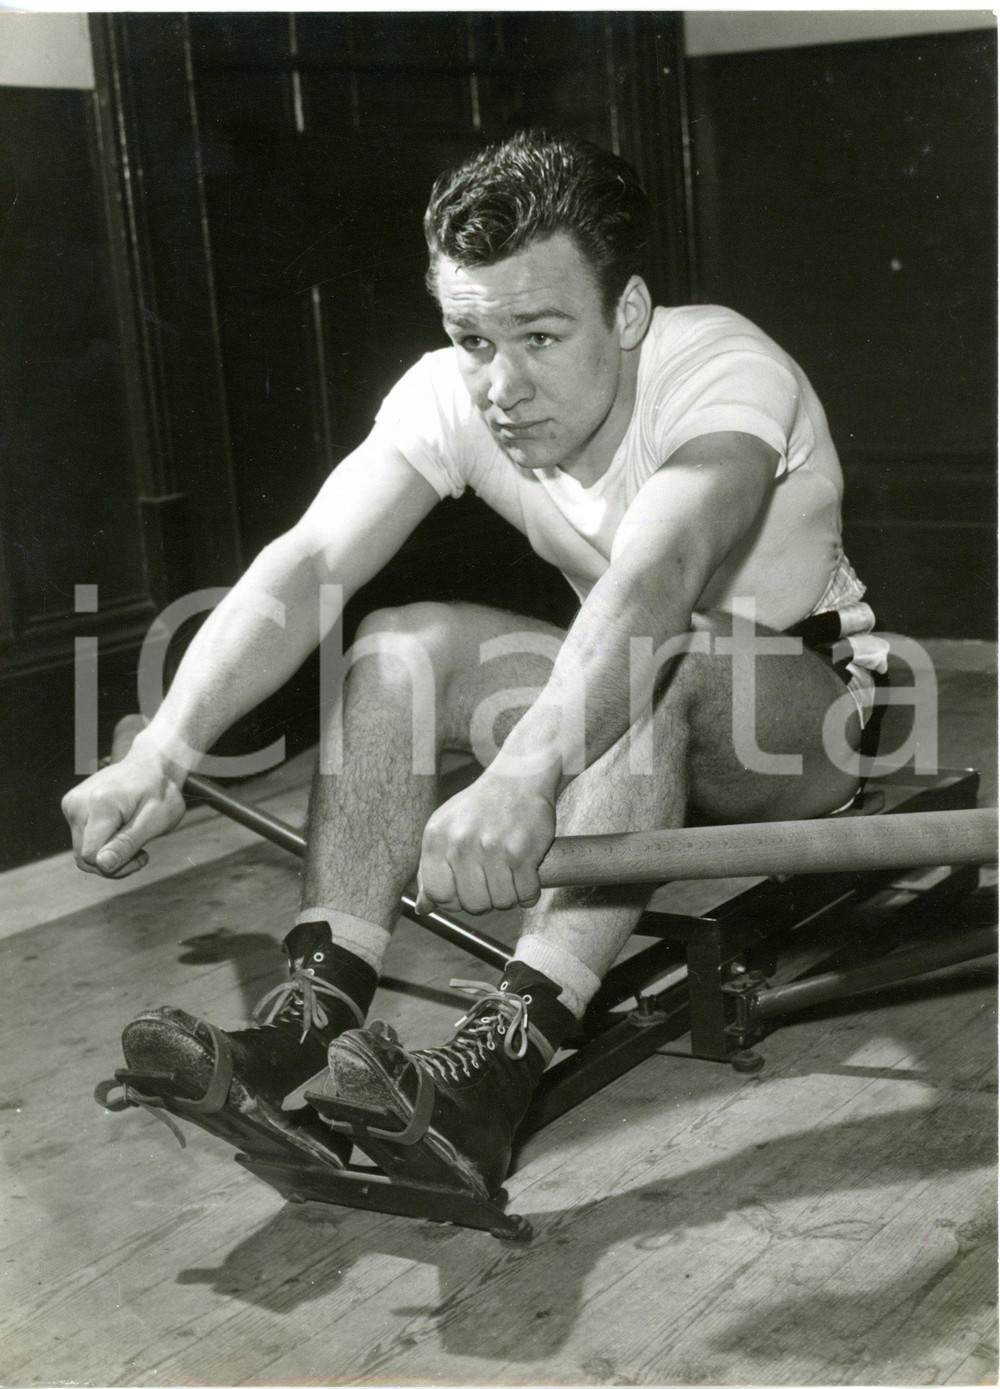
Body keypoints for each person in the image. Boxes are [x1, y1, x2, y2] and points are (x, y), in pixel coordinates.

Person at [64, 130, 887, 1201]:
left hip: (800, 716)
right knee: (399, 637)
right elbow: (307, 561)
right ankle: (310, 1012)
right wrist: (164, 753)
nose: (501, 384)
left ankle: (503, 1061)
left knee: (656, 647)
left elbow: (659, 575)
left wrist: (525, 774)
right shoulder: (456, 391)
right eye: (471, 336)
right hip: (618, 699)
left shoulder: (723, 366)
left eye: (541, 335)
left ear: (627, 313)